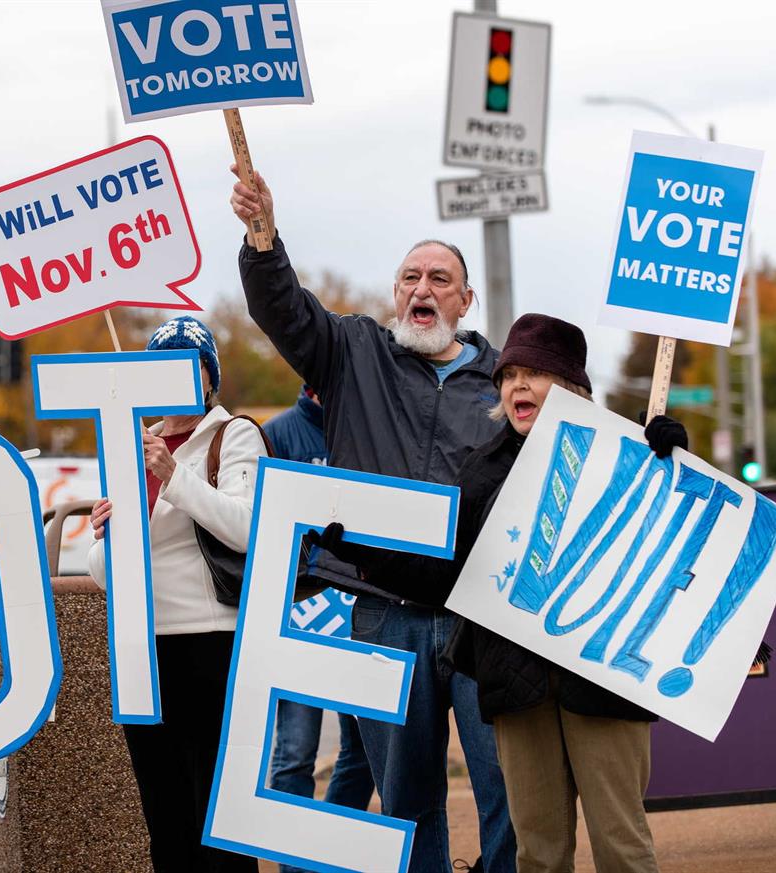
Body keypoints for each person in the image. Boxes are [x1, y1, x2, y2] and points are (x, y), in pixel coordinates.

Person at [316, 313, 680, 873]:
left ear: (572, 387)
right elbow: (444, 575)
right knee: (537, 851)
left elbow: (670, 532)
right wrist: (366, 556)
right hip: (518, 688)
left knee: (622, 846)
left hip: (601, 683)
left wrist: (670, 454)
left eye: (535, 373)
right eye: (509, 375)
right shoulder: (480, 470)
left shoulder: (623, 452)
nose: (518, 387)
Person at [230, 168, 514, 872]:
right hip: (384, 615)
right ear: (396, 293)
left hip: (483, 617)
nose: (422, 288)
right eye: (410, 276)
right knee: (408, 799)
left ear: (466, 299)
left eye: (440, 278)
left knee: (506, 790)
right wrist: (262, 235)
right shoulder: (355, 353)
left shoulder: (508, 381)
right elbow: (283, 309)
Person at [88, 315, 266, 873]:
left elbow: (245, 527)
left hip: (212, 640)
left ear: (210, 376)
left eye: (193, 366)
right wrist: (109, 534)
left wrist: (174, 476)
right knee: (164, 820)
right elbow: (101, 573)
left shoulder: (234, 435)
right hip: (146, 647)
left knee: (220, 818)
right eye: (166, 368)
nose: (181, 379)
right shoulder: (126, 445)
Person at [263, 386, 375, 873]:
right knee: (294, 754)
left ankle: (326, 852)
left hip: (361, 607)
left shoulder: (372, 427)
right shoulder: (277, 435)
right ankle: (297, 866)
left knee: (367, 751)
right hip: (299, 612)